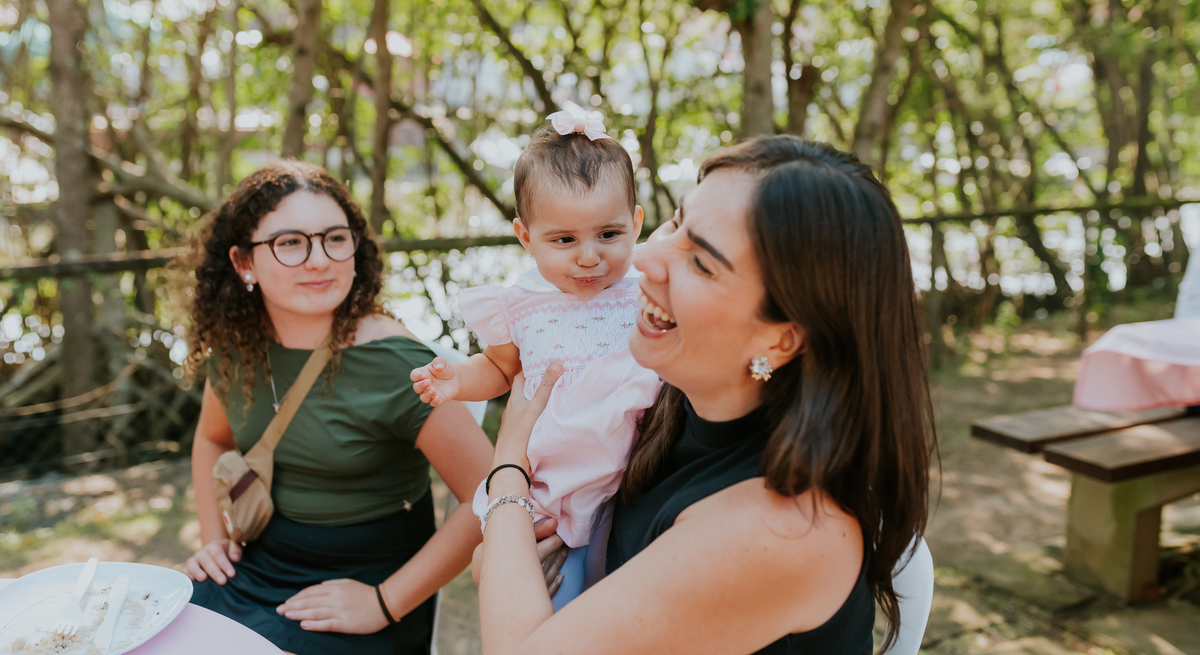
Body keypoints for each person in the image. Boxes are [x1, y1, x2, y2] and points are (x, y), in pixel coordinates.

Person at [474, 137, 935, 654]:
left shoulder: (784, 528)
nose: (646, 256)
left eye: (701, 262)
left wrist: (508, 470)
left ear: (780, 339)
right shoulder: (658, 404)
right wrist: (510, 559)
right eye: (676, 222)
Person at [181, 161, 494, 655]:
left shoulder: (394, 363)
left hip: (367, 586)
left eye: (335, 238)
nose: (319, 260)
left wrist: (384, 602)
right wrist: (213, 539)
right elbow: (211, 439)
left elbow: (492, 494)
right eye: (290, 243)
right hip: (257, 565)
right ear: (243, 263)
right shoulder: (235, 349)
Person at [410, 104, 662, 608]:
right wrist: (458, 379)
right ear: (526, 237)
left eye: (608, 234)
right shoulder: (522, 305)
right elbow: (499, 368)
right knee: (553, 598)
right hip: (554, 489)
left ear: (635, 224)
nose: (589, 256)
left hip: (638, 474)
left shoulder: (649, 291)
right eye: (564, 240)